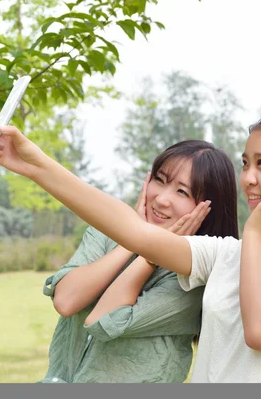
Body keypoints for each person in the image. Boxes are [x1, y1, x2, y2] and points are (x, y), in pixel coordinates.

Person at [0, 114, 261, 382]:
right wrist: (32, 163)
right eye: (245, 163)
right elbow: (135, 231)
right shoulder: (226, 253)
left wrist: (257, 233)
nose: (248, 178)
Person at [40, 140, 239, 382]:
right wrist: (131, 239)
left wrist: (148, 255)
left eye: (182, 192)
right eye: (160, 180)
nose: (162, 199)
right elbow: (66, 300)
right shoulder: (106, 233)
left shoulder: (192, 280)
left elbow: (104, 321)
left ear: (207, 209)